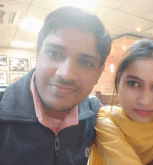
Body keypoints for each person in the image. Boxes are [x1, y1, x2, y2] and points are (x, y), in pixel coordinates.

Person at [0, 6, 111, 165]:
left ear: (99, 73)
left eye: (85, 62)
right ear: (38, 54)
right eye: (54, 53)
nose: (66, 74)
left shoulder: (97, 114)